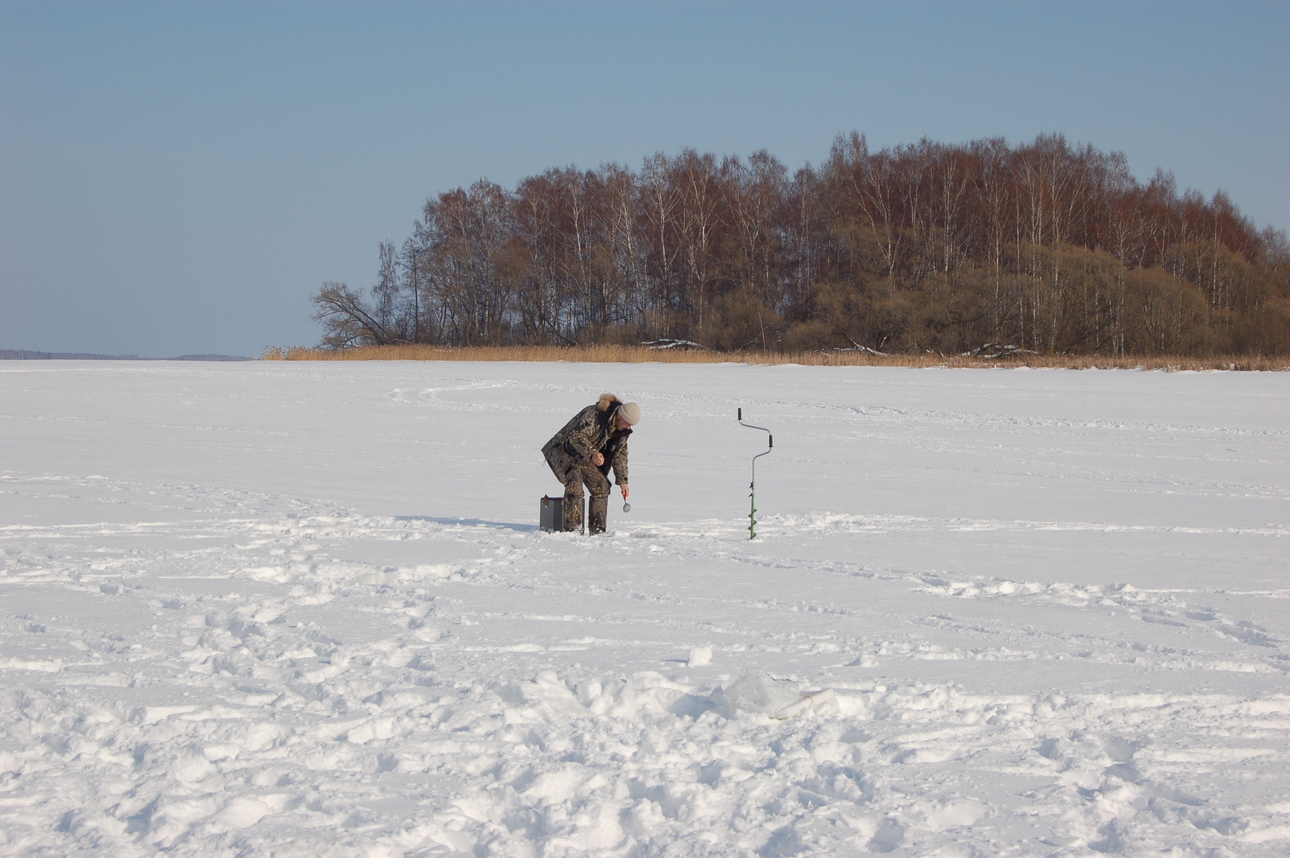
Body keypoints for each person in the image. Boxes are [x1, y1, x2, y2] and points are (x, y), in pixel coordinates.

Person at [542, 393, 640, 534]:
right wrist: (593, 453)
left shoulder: (621, 431)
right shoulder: (595, 415)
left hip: (585, 457)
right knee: (575, 489)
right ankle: (573, 531)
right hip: (564, 452)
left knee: (601, 487)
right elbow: (576, 436)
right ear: (619, 416)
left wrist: (623, 480)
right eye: (628, 423)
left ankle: (597, 530)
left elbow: (620, 455)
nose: (629, 427)